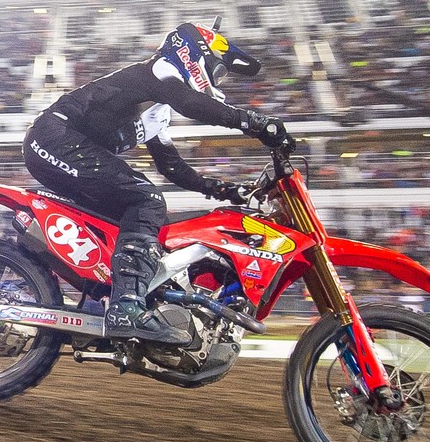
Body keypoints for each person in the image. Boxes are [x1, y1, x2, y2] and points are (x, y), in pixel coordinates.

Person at [24, 20, 292, 346]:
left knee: (143, 219)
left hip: (65, 145)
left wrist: (221, 189)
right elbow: (192, 104)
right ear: (195, 55)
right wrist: (254, 122)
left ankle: (99, 301)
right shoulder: (159, 70)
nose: (217, 80)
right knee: (146, 199)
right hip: (54, 137)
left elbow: (171, 167)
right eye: (218, 71)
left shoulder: (159, 110)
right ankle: (126, 306)